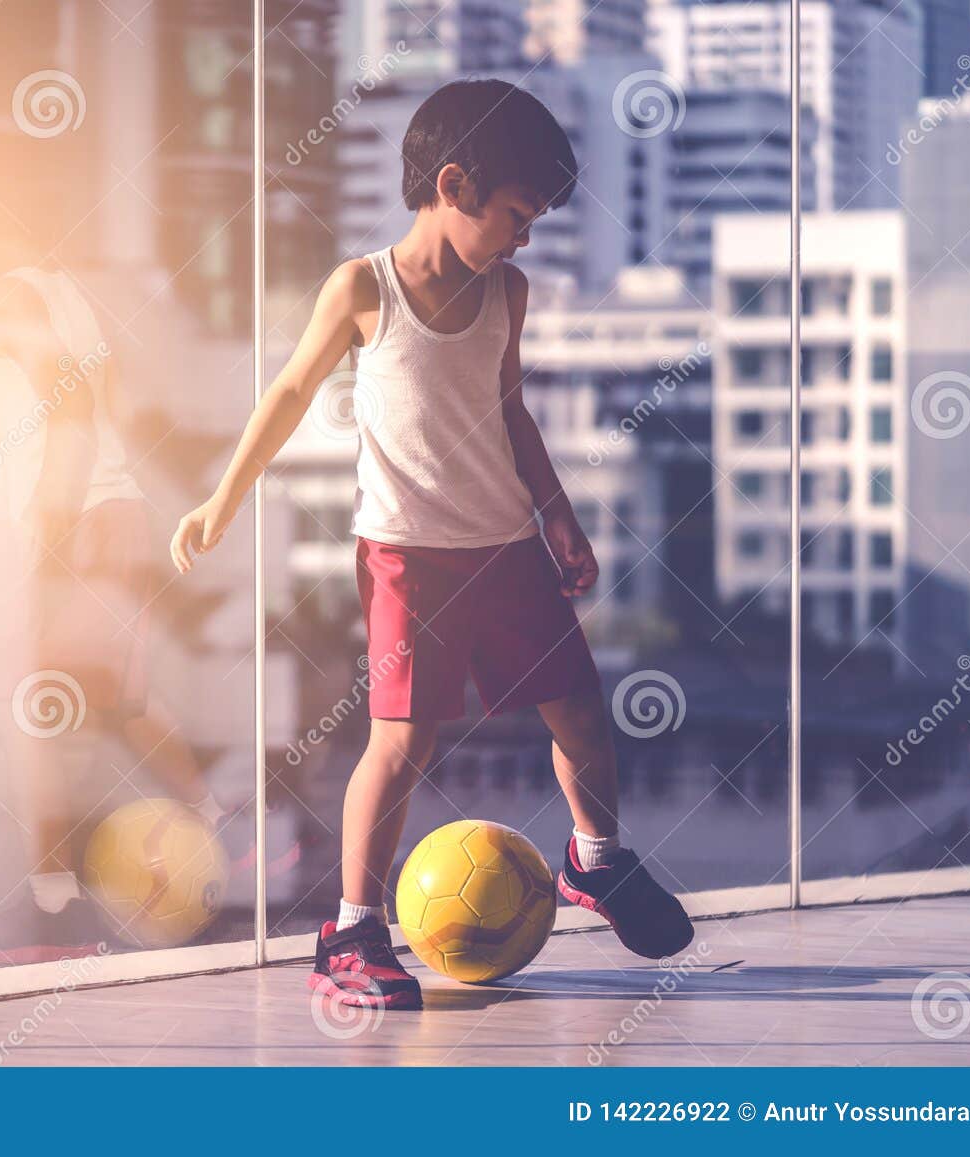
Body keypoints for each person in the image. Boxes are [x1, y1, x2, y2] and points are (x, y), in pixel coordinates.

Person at [169, 79, 692, 1009]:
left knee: (580, 709)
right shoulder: (361, 287)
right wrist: (219, 500)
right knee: (402, 741)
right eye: (517, 214)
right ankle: (352, 930)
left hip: (506, 546)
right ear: (453, 184)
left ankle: (595, 860)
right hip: (406, 557)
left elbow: (509, 411)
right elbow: (288, 394)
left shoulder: (509, 291)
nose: (525, 235)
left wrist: (558, 513)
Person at [0, 225, 294, 965]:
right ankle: (235, 832)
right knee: (117, 697)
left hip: (79, 517)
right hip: (113, 514)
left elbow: (68, 399)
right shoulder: (62, 291)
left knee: (33, 707)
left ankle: (50, 913)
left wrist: (50, 521)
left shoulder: (13, 294)